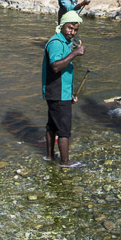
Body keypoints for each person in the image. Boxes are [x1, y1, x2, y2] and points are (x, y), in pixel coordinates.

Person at [42, 11, 87, 168]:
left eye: (75, 30)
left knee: (52, 125)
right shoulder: (56, 43)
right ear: (62, 26)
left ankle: (49, 157)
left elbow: (65, 72)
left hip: (60, 92)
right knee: (64, 129)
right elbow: (55, 67)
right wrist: (75, 53)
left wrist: (71, 94)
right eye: (70, 28)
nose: (72, 32)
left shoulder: (65, 43)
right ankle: (65, 162)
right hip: (57, 92)